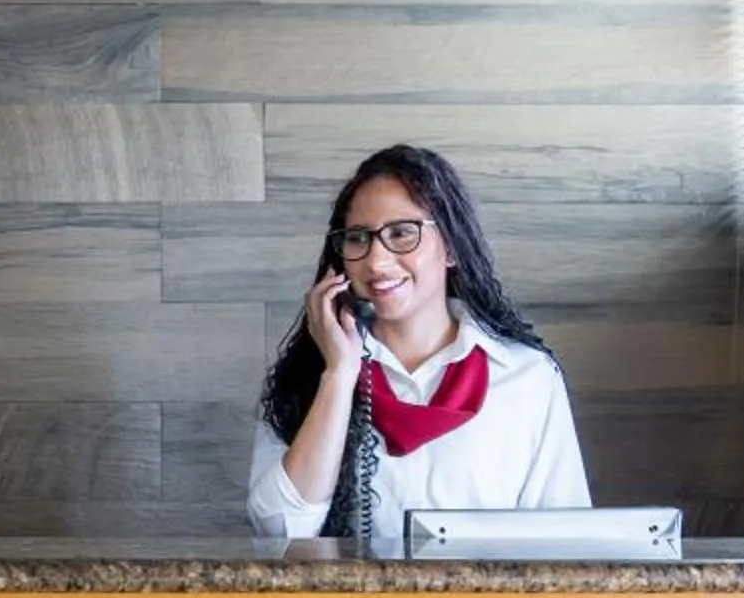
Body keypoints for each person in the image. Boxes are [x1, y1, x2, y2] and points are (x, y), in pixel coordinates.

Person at [248, 143, 588, 541]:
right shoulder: (310, 375)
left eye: (402, 233)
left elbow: (567, 539)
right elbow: (279, 529)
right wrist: (339, 376)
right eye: (358, 238)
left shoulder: (526, 377)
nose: (375, 261)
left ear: (451, 246)